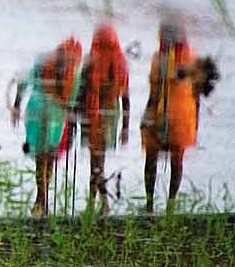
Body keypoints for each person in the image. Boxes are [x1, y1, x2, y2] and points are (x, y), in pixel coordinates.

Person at [12, 37, 83, 216]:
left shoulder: (42, 62)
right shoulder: (73, 72)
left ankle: (40, 198)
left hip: (35, 110)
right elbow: (72, 101)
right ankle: (42, 198)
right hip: (56, 116)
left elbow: (23, 82)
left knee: (39, 156)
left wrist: (16, 105)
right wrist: (73, 123)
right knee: (49, 155)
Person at [141, 16, 199, 214]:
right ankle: (171, 205)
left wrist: (147, 116)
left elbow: (154, 91)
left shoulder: (160, 58)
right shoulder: (191, 59)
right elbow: (197, 95)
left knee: (151, 158)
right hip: (184, 118)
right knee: (177, 161)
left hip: (162, 113)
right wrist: (195, 124)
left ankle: (149, 205)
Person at [75, 24, 130, 214]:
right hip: (111, 113)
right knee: (99, 160)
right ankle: (98, 203)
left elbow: (80, 91)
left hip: (94, 113)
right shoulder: (121, 63)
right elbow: (125, 97)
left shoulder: (91, 61)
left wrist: (74, 116)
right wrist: (125, 127)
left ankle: (101, 203)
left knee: (96, 161)